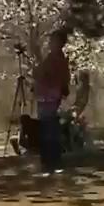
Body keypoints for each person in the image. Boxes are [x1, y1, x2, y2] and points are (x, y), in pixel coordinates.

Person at [32, 30, 71, 176]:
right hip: (46, 98)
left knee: (49, 131)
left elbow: (49, 76)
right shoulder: (52, 59)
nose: (50, 44)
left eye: (52, 41)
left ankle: (51, 163)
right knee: (48, 131)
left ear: (59, 43)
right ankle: (50, 163)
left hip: (51, 98)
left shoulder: (58, 60)